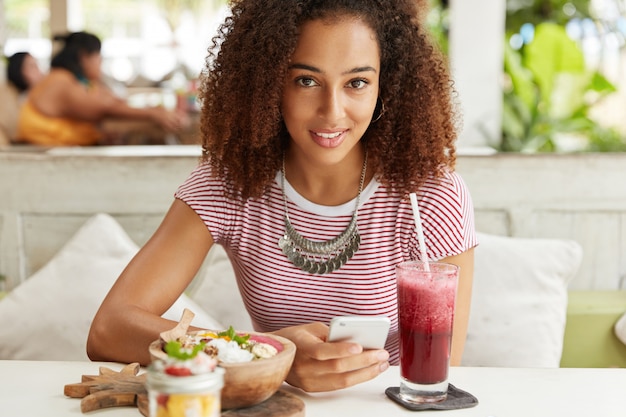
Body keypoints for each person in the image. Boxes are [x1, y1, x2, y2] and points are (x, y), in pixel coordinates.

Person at [87, 0, 477, 393]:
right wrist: (268, 353)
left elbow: (444, 371)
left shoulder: (429, 195)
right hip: (272, 405)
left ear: (387, 85)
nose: (332, 111)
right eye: (306, 80)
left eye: (356, 82)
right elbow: (109, 329)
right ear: (268, 80)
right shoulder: (230, 184)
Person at [16, 31, 187, 146]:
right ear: (84, 57)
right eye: (98, 58)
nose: (100, 63)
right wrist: (152, 113)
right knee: (154, 123)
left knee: (154, 122)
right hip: (42, 150)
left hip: (62, 145)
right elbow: (102, 108)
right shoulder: (61, 81)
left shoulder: (72, 80)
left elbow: (108, 101)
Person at [0, 52, 44, 145]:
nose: (40, 72)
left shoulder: (22, 95)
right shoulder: (5, 93)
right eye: (33, 66)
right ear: (18, 68)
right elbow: (15, 130)